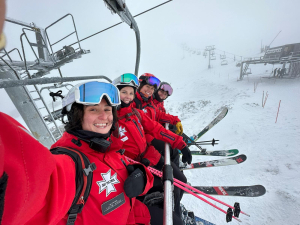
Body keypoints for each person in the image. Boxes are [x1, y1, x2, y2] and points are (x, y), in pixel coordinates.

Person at [0, 81, 154, 225]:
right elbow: (30, 179)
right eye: (93, 109)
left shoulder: (109, 148)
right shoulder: (70, 163)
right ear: (76, 117)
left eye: (107, 109)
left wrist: (143, 177)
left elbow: (136, 168)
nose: (104, 116)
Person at [112, 73, 189, 222]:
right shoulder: (111, 120)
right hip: (136, 168)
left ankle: (176, 211)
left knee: (181, 181)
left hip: (150, 157)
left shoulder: (135, 113)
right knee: (165, 188)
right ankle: (173, 216)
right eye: (124, 92)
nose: (128, 96)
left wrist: (180, 143)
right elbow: (113, 153)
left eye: (130, 93)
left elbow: (155, 127)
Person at [132, 73, 191, 167]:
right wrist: (177, 142)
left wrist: (175, 120)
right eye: (147, 87)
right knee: (171, 150)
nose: (149, 91)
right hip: (146, 139)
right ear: (139, 86)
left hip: (149, 135)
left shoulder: (148, 102)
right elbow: (152, 126)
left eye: (152, 88)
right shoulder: (135, 104)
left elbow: (159, 115)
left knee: (171, 144)